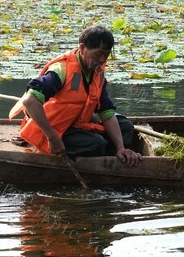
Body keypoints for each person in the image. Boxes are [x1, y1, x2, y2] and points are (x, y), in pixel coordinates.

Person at [13, 25, 142, 167]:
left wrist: (120, 148)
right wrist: (53, 137)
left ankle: (114, 157)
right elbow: (30, 101)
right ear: (82, 48)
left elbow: (106, 112)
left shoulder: (97, 72)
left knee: (126, 127)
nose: (102, 59)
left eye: (106, 55)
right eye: (98, 54)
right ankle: (99, 156)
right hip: (52, 129)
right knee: (96, 144)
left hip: (77, 125)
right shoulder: (61, 70)